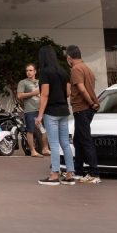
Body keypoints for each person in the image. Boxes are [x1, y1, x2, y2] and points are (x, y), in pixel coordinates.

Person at [34, 45, 76, 186]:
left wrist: (39, 115)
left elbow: (44, 94)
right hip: (64, 111)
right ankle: (70, 175)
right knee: (65, 143)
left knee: (53, 144)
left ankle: (54, 175)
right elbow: (69, 93)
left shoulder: (45, 72)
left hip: (51, 112)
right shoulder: (63, 71)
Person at [67, 45, 101, 184]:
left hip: (82, 108)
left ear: (69, 57)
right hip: (87, 109)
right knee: (78, 140)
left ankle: (94, 173)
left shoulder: (76, 69)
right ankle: (78, 170)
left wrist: (91, 102)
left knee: (85, 140)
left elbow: (81, 89)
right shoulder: (87, 68)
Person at [17, 63, 51, 158]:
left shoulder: (40, 82)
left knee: (45, 130)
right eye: (27, 70)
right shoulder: (23, 82)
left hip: (41, 110)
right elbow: (19, 95)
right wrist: (33, 93)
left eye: (31, 70)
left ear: (35, 71)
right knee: (30, 130)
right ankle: (33, 151)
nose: (28, 72)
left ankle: (45, 148)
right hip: (30, 110)